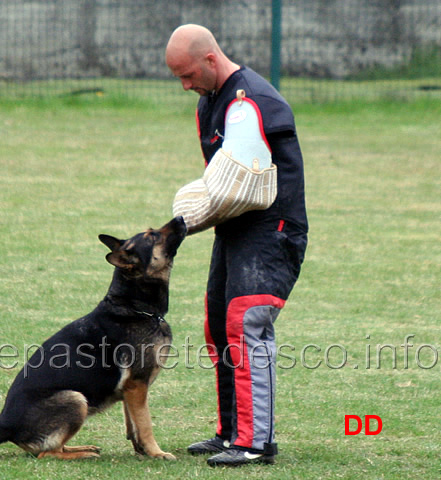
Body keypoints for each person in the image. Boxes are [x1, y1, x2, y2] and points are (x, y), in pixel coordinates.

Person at [165, 24, 308, 467]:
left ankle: (254, 443)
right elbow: (222, 181)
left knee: (245, 324)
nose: (185, 85)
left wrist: (182, 223)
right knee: (217, 323)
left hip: (272, 229)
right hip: (236, 229)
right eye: (178, 77)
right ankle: (231, 432)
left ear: (211, 59)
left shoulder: (250, 104)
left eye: (188, 74)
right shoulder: (211, 102)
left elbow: (239, 189)